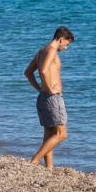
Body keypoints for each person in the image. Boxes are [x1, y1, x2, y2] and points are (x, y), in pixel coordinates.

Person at [25, 26, 75, 169]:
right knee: (61, 134)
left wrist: (40, 88)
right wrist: (49, 88)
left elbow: (28, 72)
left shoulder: (42, 51)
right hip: (52, 98)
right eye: (67, 44)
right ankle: (34, 161)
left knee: (49, 135)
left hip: (43, 97)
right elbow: (44, 70)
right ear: (61, 39)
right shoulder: (52, 51)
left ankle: (49, 168)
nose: (66, 48)